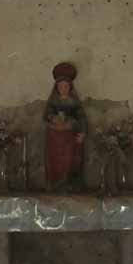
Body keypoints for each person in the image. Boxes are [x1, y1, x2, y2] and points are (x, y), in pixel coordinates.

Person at [43, 61, 86, 191]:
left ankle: (68, 183)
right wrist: (53, 118)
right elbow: (46, 116)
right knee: (55, 161)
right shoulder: (53, 102)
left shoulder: (74, 102)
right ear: (57, 87)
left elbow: (81, 118)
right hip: (54, 138)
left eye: (65, 86)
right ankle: (55, 183)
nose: (63, 89)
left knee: (69, 160)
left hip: (69, 138)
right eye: (60, 86)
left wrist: (82, 132)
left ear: (70, 87)